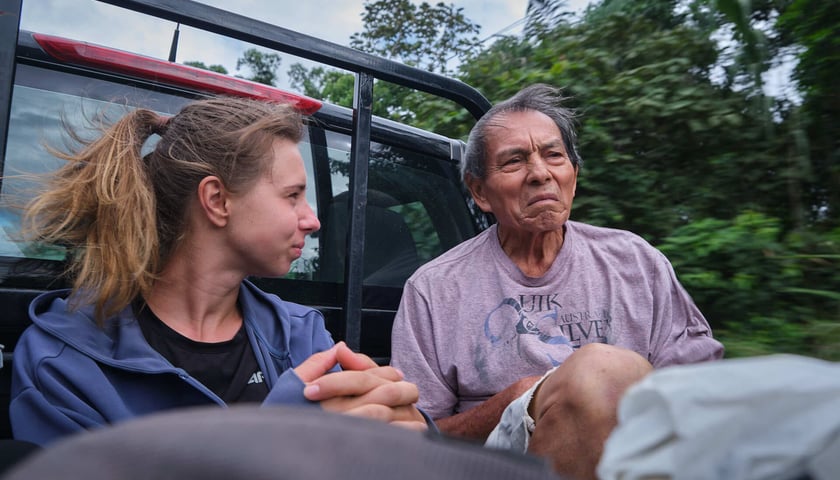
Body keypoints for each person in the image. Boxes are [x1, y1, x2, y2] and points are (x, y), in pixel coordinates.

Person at [10, 97, 427, 446]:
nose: (313, 220)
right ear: (217, 200)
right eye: (293, 196)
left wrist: (414, 428)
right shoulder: (62, 361)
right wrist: (269, 443)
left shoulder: (300, 335)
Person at [390, 84, 724, 479]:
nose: (540, 173)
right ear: (480, 192)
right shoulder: (434, 289)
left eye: (554, 156)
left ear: (574, 176)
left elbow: (697, 392)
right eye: (514, 161)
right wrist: (518, 401)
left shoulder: (636, 262)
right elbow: (413, 440)